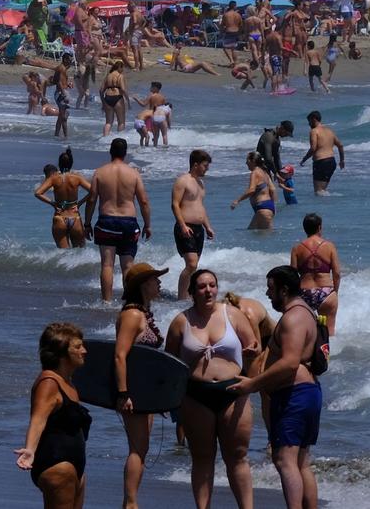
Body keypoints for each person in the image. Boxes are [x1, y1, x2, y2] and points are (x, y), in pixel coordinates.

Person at [229, 266, 325, 509]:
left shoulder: (293, 317)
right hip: (307, 393)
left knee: (284, 459)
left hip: (295, 394)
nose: (267, 293)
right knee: (301, 461)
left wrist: (252, 384)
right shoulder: (305, 313)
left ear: (284, 290)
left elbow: (290, 363)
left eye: (271, 288)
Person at [166, 270, 257, 509]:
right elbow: (169, 363)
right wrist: (167, 399)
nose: (208, 290)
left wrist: (253, 374)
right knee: (202, 457)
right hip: (196, 395)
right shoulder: (180, 321)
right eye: (202, 286)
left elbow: (254, 348)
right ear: (192, 292)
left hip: (233, 391)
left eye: (212, 285)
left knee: (237, 456)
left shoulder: (233, 315)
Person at [18, 322, 90, 509]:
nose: (84, 351)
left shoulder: (68, 382)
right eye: (77, 347)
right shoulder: (49, 382)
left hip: (74, 466)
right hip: (57, 465)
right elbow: (38, 419)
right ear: (61, 353)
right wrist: (29, 450)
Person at [114, 262, 168, 509]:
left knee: (141, 448)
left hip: (145, 391)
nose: (159, 283)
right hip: (133, 391)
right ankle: (131, 503)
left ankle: (132, 500)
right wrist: (123, 393)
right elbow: (119, 355)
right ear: (143, 285)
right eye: (154, 279)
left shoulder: (143, 313)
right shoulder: (132, 315)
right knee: (137, 448)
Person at [86, 138, 152, 303]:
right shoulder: (133, 174)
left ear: (110, 151)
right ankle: (129, 303)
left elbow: (92, 199)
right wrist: (147, 225)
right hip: (128, 222)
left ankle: (106, 302)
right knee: (128, 266)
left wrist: (87, 223)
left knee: (107, 265)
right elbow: (143, 201)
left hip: (107, 222)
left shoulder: (100, 172)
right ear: (125, 153)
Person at [171, 150, 217, 299]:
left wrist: (207, 226)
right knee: (191, 264)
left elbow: (200, 208)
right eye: (205, 165)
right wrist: (183, 225)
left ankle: (189, 296)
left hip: (198, 229)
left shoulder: (201, 184)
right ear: (195, 164)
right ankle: (181, 298)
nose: (207, 168)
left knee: (194, 266)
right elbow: (175, 205)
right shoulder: (183, 180)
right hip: (185, 227)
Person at [291, 212, 343, 337]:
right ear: (319, 227)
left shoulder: (297, 248)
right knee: (329, 333)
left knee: (303, 333)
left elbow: (292, 275)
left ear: (304, 228)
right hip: (326, 293)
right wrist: (334, 292)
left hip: (304, 292)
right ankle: (328, 355)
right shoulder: (329, 246)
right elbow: (337, 273)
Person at [34, 148, 91, 250]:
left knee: (63, 255)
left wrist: (52, 203)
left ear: (59, 164)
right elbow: (93, 191)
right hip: (75, 218)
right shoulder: (76, 177)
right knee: (79, 255)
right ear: (71, 163)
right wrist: (80, 203)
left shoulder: (54, 178)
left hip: (59, 218)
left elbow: (38, 193)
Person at [232, 152, 278, 231]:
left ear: (253, 161)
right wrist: (273, 207)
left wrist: (238, 200)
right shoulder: (264, 173)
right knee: (254, 235)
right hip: (267, 207)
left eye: (247, 160)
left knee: (262, 239)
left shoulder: (255, 172)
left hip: (262, 209)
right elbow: (273, 189)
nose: (246, 162)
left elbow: (251, 190)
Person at [304, 112, 345, 196]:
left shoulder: (314, 131)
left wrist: (304, 159)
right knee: (323, 190)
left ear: (314, 119)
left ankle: (320, 208)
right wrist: (342, 160)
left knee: (318, 192)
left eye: (309, 121)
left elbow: (313, 148)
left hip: (321, 162)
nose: (309, 124)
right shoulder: (330, 131)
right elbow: (340, 145)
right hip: (331, 162)